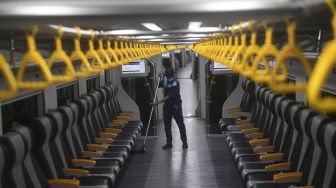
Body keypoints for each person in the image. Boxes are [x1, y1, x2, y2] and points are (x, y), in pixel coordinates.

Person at [151, 68, 188, 149]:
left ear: (172, 76)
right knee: (167, 126)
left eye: (169, 77)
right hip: (167, 106)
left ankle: (184, 142)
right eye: (167, 76)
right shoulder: (165, 80)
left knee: (180, 124)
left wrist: (157, 103)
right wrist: (159, 77)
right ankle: (169, 142)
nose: (168, 78)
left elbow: (168, 96)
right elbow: (159, 84)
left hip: (176, 106)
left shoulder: (175, 83)